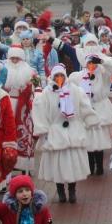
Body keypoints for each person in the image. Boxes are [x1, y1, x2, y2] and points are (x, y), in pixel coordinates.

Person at [33, 65, 94, 203]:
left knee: (73, 164)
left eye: (61, 76)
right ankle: (60, 191)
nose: (59, 79)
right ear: (53, 78)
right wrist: (43, 130)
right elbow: (40, 112)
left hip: (73, 131)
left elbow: (85, 106)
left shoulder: (75, 90)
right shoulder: (46, 93)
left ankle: (72, 190)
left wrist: (89, 119)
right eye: (56, 76)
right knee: (57, 164)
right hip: (55, 133)